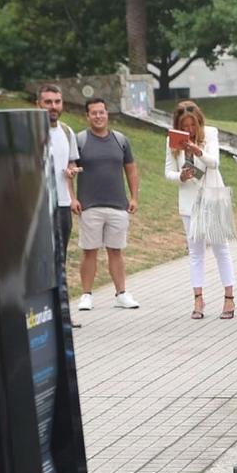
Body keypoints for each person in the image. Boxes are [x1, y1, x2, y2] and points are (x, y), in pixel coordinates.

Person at [167, 100, 236, 319]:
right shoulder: (172, 141)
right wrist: (180, 176)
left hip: (212, 196)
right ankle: (198, 297)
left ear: (198, 123)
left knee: (220, 249)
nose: (188, 130)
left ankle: (229, 298)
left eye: (192, 126)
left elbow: (214, 163)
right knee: (195, 252)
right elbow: (168, 171)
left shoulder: (210, 134)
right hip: (189, 200)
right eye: (184, 126)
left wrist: (197, 150)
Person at [74, 97, 141, 313]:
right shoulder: (80, 140)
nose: (98, 116)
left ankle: (121, 293)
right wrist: (73, 198)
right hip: (89, 206)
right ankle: (86, 295)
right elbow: (69, 171)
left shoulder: (120, 140)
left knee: (116, 251)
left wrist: (134, 197)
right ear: (87, 116)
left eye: (101, 112)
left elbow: (131, 169)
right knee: (89, 251)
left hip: (117, 205)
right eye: (94, 113)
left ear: (107, 114)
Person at [37, 83, 80, 283]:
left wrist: (72, 171)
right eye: (48, 102)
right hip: (38, 206)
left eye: (57, 102)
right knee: (40, 260)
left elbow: (70, 162)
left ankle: (61, 311)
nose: (53, 106)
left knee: (60, 261)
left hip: (62, 205)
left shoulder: (67, 131)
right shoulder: (31, 131)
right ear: (38, 104)